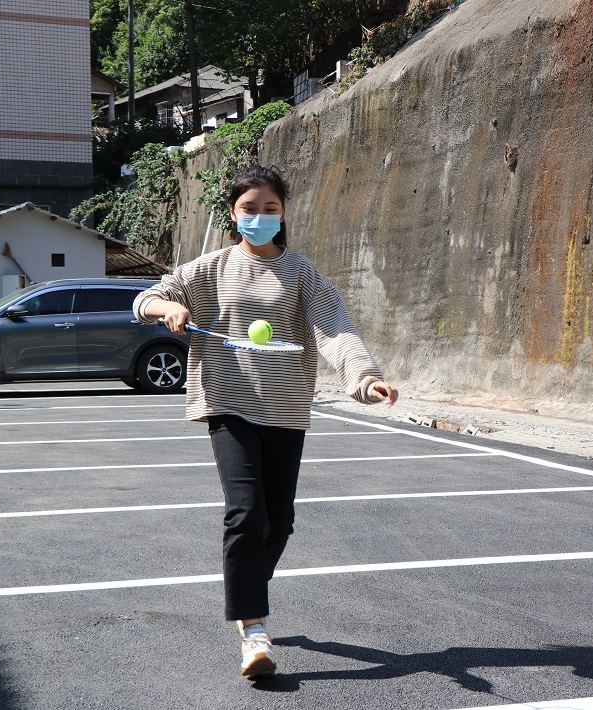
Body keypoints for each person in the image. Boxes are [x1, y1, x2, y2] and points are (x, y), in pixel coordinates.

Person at [133, 165, 398, 680]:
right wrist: (168, 308)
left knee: (279, 522)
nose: (259, 217)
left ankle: (249, 584)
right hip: (228, 404)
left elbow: (334, 329)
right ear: (233, 215)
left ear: (283, 212)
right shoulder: (210, 268)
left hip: (284, 408)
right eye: (249, 209)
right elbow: (144, 299)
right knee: (246, 513)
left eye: (269, 208)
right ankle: (252, 629)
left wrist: (366, 379)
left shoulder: (301, 272)